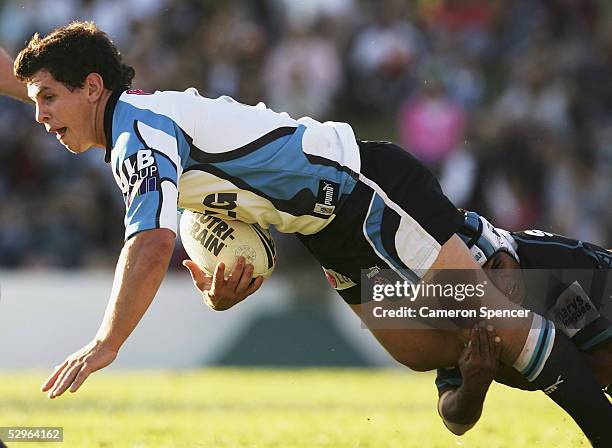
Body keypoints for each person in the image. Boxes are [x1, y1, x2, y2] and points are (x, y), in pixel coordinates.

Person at [2, 21, 611, 446]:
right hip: (329, 231)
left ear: (92, 88)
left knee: (490, 318)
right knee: (420, 349)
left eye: (48, 98)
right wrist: (224, 285)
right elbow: (235, 215)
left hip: (361, 188)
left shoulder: (141, 131)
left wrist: (108, 342)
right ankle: (496, 264)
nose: (40, 117)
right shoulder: (134, 126)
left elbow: (152, 241)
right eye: (34, 102)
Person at [434, 211, 612, 435]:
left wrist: (514, 367)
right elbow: (455, 422)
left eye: (498, 266)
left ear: (506, 247)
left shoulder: (547, 268)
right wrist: (472, 388)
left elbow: (606, 366)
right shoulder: (459, 310)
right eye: (484, 284)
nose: (500, 287)